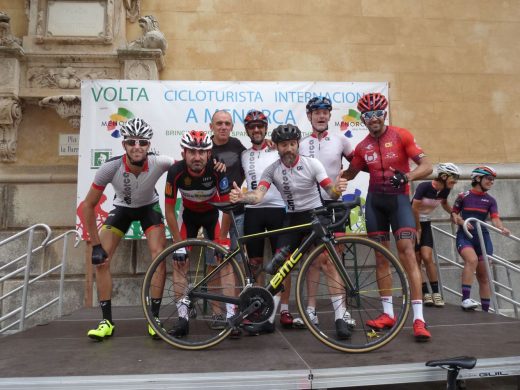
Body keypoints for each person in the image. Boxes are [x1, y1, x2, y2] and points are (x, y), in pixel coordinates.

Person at [230, 123, 353, 340]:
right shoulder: (272, 169)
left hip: (316, 215)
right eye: (284, 145)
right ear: (276, 147)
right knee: (279, 267)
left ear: (297, 144)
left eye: (292, 144)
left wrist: (337, 188)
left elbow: (330, 193)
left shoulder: (312, 164)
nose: (289, 149)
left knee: (328, 262)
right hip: (293, 218)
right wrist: (243, 197)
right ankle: (267, 321)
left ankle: (340, 317)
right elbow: (258, 196)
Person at [342, 93, 433, 341]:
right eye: (368, 115)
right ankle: (388, 314)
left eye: (377, 114)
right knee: (381, 258)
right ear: (363, 118)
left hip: (399, 201)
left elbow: (428, 166)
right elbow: (351, 172)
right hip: (375, 202)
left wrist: (408, 177)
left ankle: (418, 319)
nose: (373, 119)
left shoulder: (401, 135)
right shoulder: (362, 146)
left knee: (407, 254)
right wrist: (330, 178)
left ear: (384, 114)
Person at [82, 117, 174, 341]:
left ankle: (154, 318)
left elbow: (191, 163)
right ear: (124, 145)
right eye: (131, 142)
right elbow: (88, 206)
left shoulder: (160, 162)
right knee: (101, 260)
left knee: (158, 257)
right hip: (122, 209)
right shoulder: (110, 167)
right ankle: (106, 321)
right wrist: (95, 245)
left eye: (142, 142)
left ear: (148, 146)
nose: (137, 147)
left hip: (148, 208)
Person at [164, 130, 235, 337]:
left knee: (224, 261)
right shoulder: (175, 171)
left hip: (213, 215)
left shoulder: (217, 169)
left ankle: (229, 316)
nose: (197, 157)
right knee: (179, 262)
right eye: (192, 152)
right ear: (184, 153)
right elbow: (169, 210)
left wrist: (222, 240)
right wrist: (178, 244)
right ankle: (183, 318)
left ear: (209, 153)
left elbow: (227, 206)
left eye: (201, 152)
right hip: (188, 217)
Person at [296, 96, 355, 328]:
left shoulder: (341, 140)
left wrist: (344, 179)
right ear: (309, 116)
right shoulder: (299, 142)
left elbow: (358, 163)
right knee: (312, 259)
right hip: (310, 205)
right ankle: (310, 310)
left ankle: (342, 312)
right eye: (316, 112)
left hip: (334, 204)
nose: (321, 116)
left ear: (330, 115)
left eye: (325, 112)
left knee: (334, 257)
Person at [239, 109, 288, 334]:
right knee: (255, 264)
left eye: (260, 126)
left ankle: (276, 312)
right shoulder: (243, 154)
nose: (256, 130)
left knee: (281, 264)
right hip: (253, 212)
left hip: (278, 209)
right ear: (247, 130)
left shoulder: (277, 150)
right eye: (252, 127)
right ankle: (259, 310)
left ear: (266, 129)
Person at [451, 166, 510, 312]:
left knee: (484, 276)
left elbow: (495, 219)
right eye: (489, 179)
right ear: (478, 178)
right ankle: (465, 299)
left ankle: (485, 311)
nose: (492, 182)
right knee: (472, 260)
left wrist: (501, 227)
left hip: (483, 238)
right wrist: (462, 222)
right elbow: (454, 215)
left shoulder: (490, 200)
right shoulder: (463, 196)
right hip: (465, 235)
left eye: (493, 180)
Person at [412, 162, 460, 307]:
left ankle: (436, 293)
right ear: (444, 176)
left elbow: (444, 203)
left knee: (427, 256)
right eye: (454, 178)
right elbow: (414, 208)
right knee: (417, 258)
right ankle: (425, 293)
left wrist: (452, 212)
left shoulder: (445, 190)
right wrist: (417, 228)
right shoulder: (424, 187)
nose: (455, 181)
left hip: (425, 223)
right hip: (412, 223)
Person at [210, 110, 247, 251]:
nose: (223, 127)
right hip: (215, 213)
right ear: (211, 126)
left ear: (232, 127)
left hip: (237, 211)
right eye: (219, 123)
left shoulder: (236, 143)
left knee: (239, 258)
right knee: (214, 262)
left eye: (227, 124)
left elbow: (249, 162)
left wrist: (267, 144)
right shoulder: (204, 148)